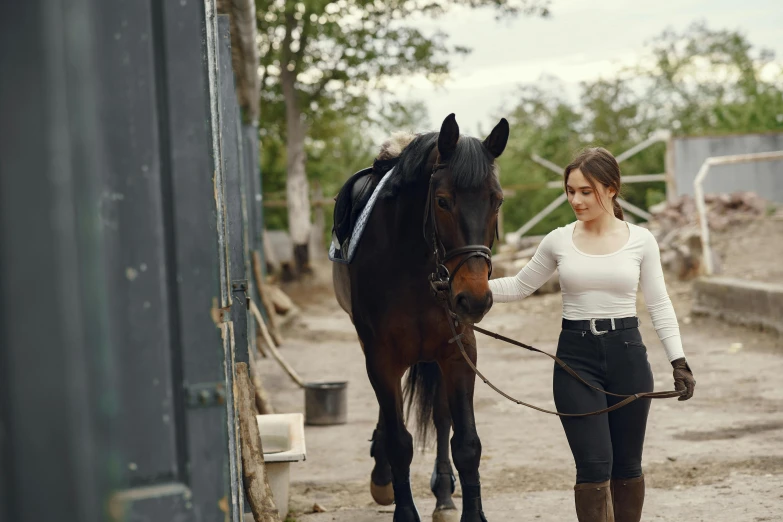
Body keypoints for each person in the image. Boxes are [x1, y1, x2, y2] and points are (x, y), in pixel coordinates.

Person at [488, 147, 696, 522]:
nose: (576, 200)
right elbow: (520, 286)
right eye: (570, 191)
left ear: (612, 188)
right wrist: (468, 289)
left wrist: (678, 361)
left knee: (628, 466)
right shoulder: (558, 239)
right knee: (594, 465)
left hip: (628, 355)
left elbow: (660, 304)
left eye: (586, 191)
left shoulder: (641, 240)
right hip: (575, 360)